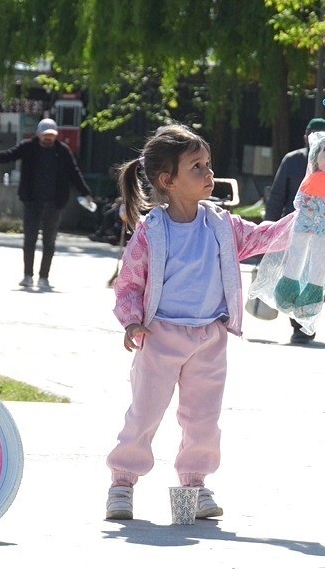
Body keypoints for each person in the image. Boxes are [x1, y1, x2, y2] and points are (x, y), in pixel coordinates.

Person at [104, 124, 295, 521]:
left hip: (210, 338)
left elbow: (264, 238)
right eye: (197, 167)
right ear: (167, 180)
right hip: (159, 337)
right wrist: (131, 322)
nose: (209, 174)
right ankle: (122, 483)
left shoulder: (222, 225)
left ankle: (195, 483)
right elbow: (130, 281)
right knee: (144, 413)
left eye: (208, 165)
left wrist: (309, 217)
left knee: (203, 418)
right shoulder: (152, 231)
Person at [0, 117, 92, 290]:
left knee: (49, 241)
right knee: (29, 240)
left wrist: (86, 193)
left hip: (54, 202)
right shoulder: (28, 146)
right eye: (45, 135)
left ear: (56, 135)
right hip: (32, 201)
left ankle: (44, 277)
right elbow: (9, 154)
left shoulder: (63, 150)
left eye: (51, 135)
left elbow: (74, 172)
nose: (48, 138)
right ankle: (28, 276)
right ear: (38, 134)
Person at [264, 117, 325, 344]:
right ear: (306, 138)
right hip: (296, 231)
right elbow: (276, 197)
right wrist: (267, 234)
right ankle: (299, 325)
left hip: (324, 232)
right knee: (294, 275)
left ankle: (306, 313)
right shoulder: (292, 160)